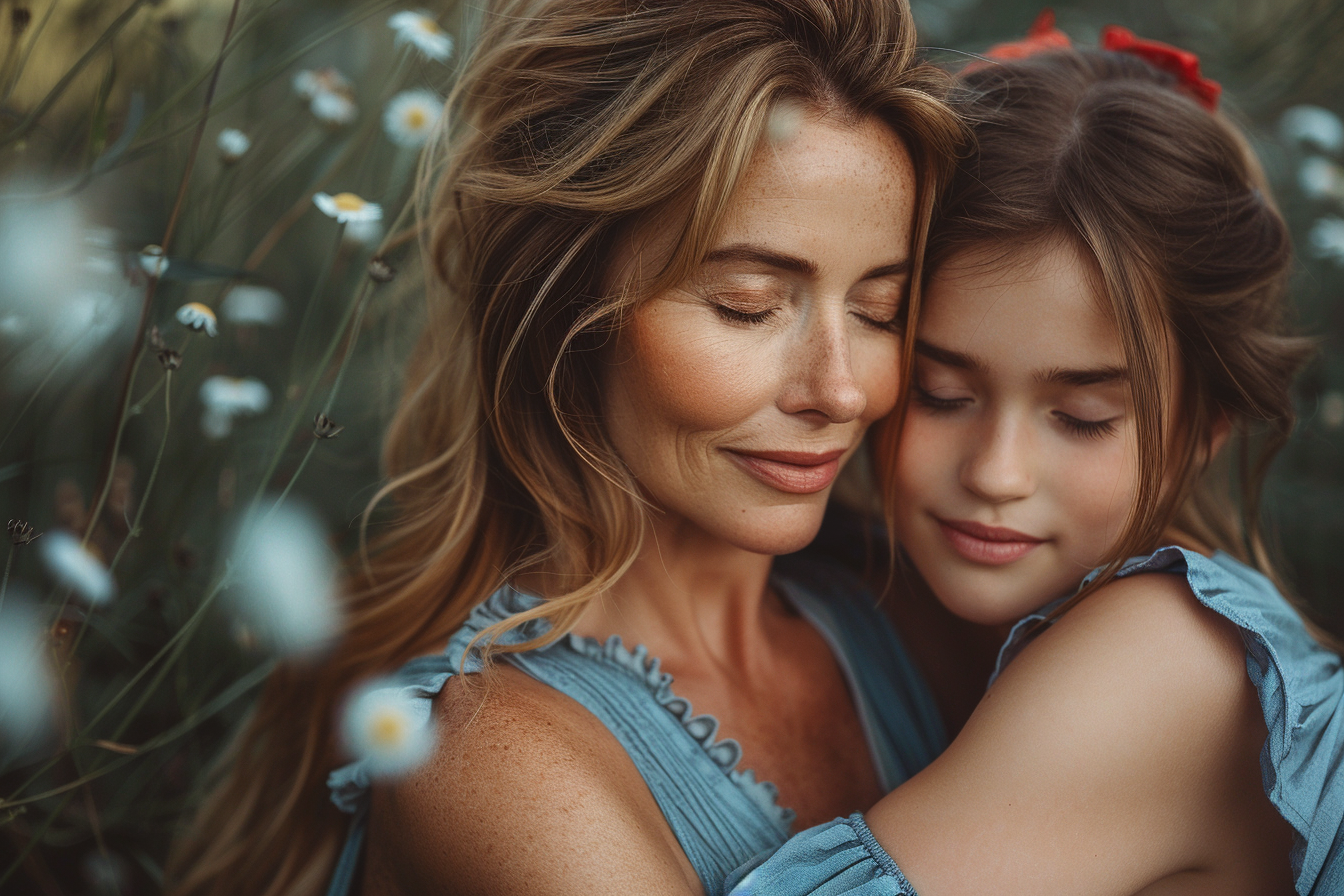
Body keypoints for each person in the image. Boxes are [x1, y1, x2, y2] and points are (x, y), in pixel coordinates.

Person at [164, 2, 965, 895]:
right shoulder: (484, 754)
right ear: (566, 307)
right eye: (747, 303)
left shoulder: (896, 610)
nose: (843, 388)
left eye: (879, 311)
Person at [727, 18, 1344, 896]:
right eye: (942, 394)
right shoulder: (870, 600)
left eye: (1084, 416)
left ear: (1205, 429)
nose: (997, 473)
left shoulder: (1161, 660)